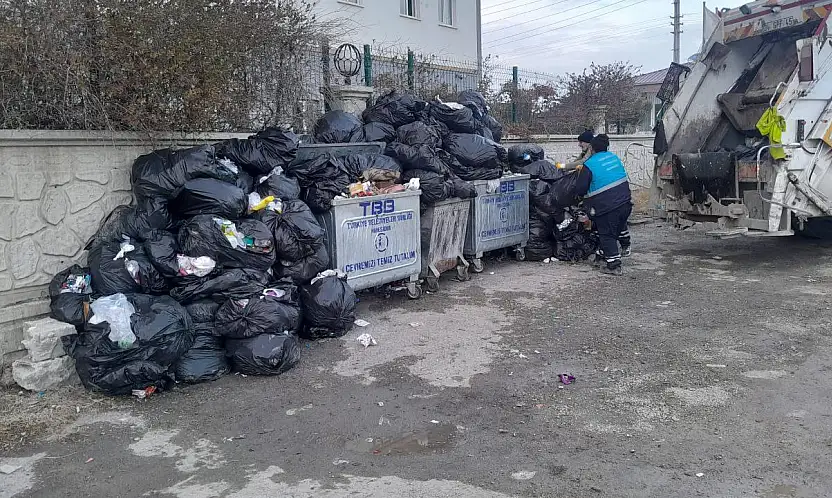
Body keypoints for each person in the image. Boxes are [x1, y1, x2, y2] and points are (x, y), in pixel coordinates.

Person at [578, 134, 632, 275]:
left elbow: (581, 188)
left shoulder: (589, 164)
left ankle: (614, 265)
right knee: (613, 232)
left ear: (592, 148)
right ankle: (602, 255)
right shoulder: (614, 158)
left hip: (608, 206)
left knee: (606, 234)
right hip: (625, 203)